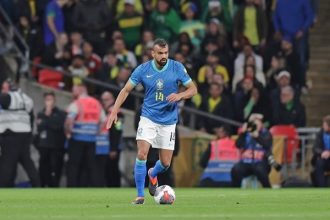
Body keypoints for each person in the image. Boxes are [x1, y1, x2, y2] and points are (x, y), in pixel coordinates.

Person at [106, 39, 197, 204]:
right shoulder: (143, 69)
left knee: (165, 163)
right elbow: (126, 90)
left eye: (166, 53)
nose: (164, 56)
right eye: (160, 53)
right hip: (148, 117)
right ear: (153, 53)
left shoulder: (177, 67)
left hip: (168, 121)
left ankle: (152, 174)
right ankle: (140, 196)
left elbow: (193, 89)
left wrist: (180, 95)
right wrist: (114, 110)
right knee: (141, 154)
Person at [0, 80, 40, 187]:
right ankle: (38, 187)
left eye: (4, 88)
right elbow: (31, 118)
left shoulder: (9, 97)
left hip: (11, 135)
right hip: (24, 136)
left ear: (9, 88)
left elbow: (3, 100)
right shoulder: (27, 99)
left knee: (6, 166)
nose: (2, 91)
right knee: (28, 163)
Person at [65, 83, 106, 187]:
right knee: (90, 166)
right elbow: (104, 121)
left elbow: (69, 121)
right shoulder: (96, 103)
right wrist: (97, 132)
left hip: (77, 138)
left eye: (74, 90)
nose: (72, 92)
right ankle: (90, 186)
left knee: (74, 165)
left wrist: (68, 132)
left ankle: (72, 186)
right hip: (92, 140)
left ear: (81, 89)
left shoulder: (77, 103)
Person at [231, 114, 272, 188]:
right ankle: (236, 190)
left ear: (261, 124)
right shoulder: (246, 134)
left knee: (259, 169)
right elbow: (238, 145)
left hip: (262, 162)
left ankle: (268, 189)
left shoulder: (266, 133)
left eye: (257, 123)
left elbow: (267, 145)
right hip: (246, 162)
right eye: (252, 123)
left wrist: (257, 137)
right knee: (235, 169)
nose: (254, 126)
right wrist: (242, 134)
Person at [35, 92, 66, 187]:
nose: (49, 102)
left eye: (51, 99)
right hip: (44, 146)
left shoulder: (60, 113)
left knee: (55, 169)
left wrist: (47, 118)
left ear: (54, 100)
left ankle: (54, 188)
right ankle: (42, 186)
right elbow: (40, 127)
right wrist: (48, 120)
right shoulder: (40, 113)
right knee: (43, 169)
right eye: (47, 99)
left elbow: (57, 126)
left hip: (56, 147)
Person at [97, 91, 124, 187]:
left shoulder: (117, 112)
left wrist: (114, 149)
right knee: (107, 169)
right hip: (105, 145)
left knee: (113, 168)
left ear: (113, 100)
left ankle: (115, 187)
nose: (104, 102)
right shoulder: (104, 112)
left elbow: (117, 132)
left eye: (107, 99)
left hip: (113, 146)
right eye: (103, 100)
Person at [311, 115, 330, 187]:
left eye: (325, 125)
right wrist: (322, 153)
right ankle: (321, 187)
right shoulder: (320, 133)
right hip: (323, 158)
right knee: (319, 163)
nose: (323, 126)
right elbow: (315, 147)